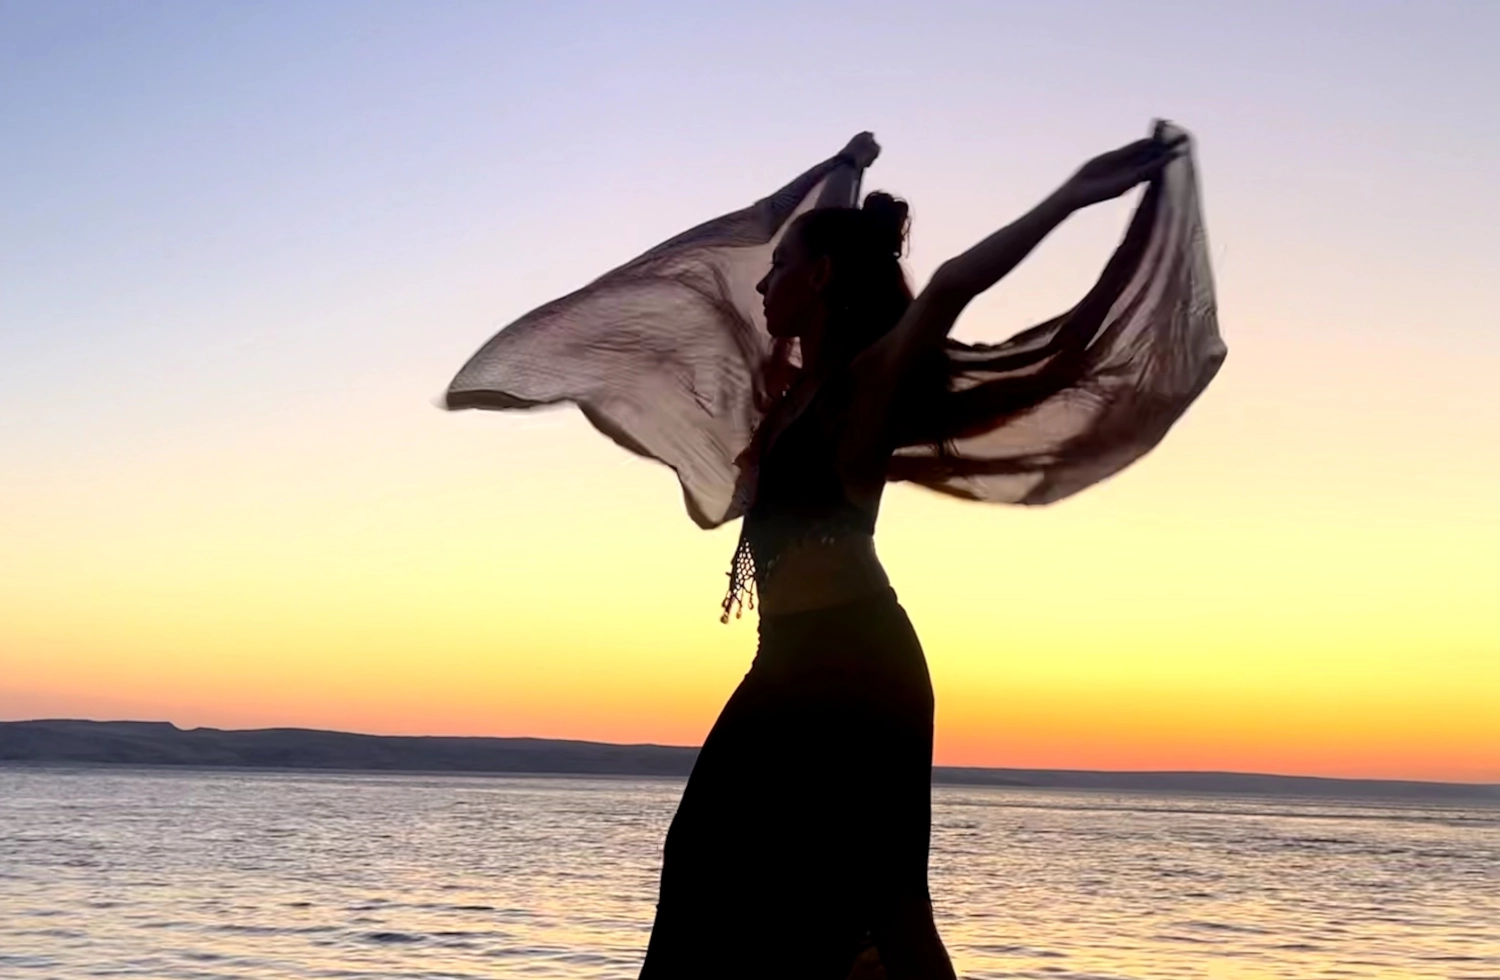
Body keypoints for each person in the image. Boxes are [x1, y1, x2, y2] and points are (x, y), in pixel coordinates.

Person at [444, 127, 1221, 980]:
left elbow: (949, 287)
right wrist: (848, 176)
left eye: (779, 266)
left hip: (860, 665)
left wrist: (1071, 194)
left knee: (889, 901)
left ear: (819, 277)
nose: (762, 283)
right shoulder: (790, 390)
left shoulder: (862, 388)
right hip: (785, 661)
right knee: (707, 858)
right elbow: (836, 253)